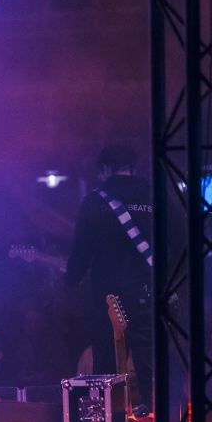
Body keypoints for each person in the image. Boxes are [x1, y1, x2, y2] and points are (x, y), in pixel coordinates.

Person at [65, 145, 154, 395]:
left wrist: (71, 280)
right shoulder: (155, 195)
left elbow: (80, 251)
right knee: (148, 362)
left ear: (105, 170)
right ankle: (150, 411)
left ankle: (110, 415)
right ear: (133, 168)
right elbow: (180, 239)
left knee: (106, 364)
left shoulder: (93, 202)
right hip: (148, 293)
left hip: (108, 298)